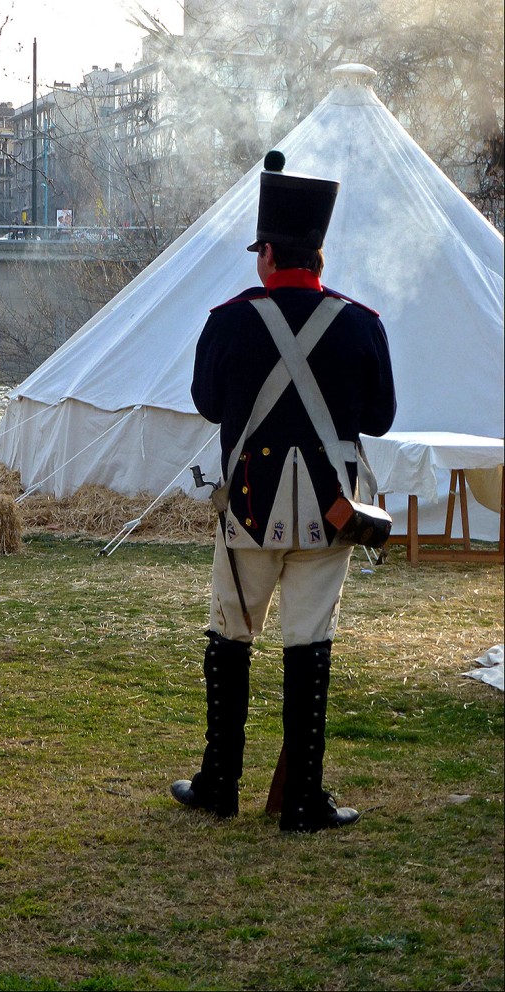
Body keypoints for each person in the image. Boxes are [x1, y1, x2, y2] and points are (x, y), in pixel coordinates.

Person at [171, 151, 397, 832]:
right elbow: (380, 418)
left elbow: (209, 403)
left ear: (267, 252)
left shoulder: (231, 318)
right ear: (319, 255)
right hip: (332, 512)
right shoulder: (360, 322)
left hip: (247, 510)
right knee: (310, 644)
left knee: (230, 637)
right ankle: (302, 798)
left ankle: (219, 783)